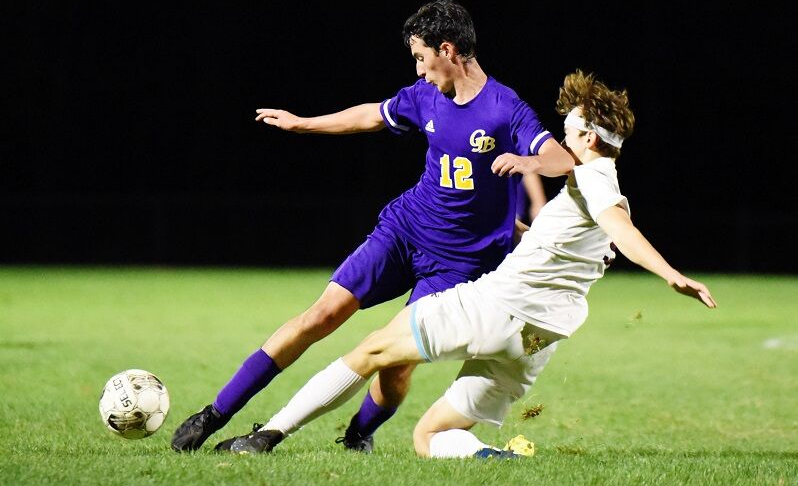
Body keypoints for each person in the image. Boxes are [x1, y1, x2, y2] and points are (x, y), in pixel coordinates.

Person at [211, 69, 717, 458]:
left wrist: (671, 274)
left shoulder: (593, 179)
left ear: (588, 139)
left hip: (498, 308)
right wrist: (514, 226)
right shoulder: (589, 193)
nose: (562, 139)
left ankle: (267, 435)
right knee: (430, 437)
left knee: (370, 351)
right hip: (537, 343)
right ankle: (495, 463)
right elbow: (566, 237)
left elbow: (621, 230)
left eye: (568, 131)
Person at [170, 0, 574, 452]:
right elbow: (370, 115)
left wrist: (526, 160)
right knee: (320, 315)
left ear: (447, 49)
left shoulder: (504, 106)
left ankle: (358, 435)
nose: (419, 71)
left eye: (421, 57)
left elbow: (561, 159)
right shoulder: (425, 97)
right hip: (405, 232)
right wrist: (304, 124)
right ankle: (214, 414)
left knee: (395, 362)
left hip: (459, 265)